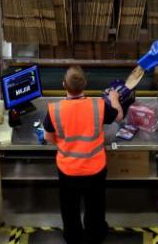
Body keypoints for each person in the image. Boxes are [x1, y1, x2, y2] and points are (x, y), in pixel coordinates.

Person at [44, 66, 124, 244]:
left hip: (68, 171)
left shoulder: (54, 110)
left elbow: (49, 139)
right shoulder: (98, 106)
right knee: (95, 207)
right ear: (85, 84)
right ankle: (95, 234)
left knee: (69, 208)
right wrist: (114, 98)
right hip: (95, 169)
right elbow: (118, 116)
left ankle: (72, 236)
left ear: (63, 84)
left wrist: (68, 145)